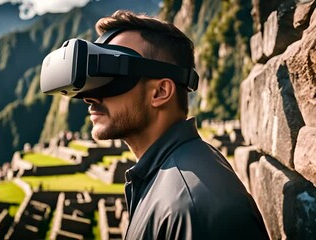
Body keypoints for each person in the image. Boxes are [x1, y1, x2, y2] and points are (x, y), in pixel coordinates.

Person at [81, 11, 269, 239]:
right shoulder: (163, 178)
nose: (90, 97)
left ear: (161, 92)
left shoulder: (194, 210)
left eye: (113, 75)